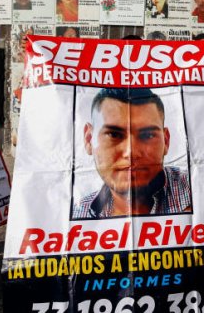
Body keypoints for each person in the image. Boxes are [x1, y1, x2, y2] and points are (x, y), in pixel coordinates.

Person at [73, 87, 191, 219]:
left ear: (166, 141)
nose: (131, 152)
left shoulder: (201, 190)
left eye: (147, 135)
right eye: (113, 134)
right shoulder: (76, 214)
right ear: (89, 139)